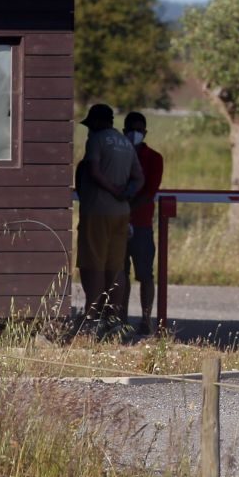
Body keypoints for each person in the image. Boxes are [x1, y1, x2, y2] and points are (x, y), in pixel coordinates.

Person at [75, 104, 144, 332]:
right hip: (121, 213)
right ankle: (114, 319)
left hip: (97, 211)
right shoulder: (125, 143)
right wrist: (125, 193)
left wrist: (112, 189)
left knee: (93, 264)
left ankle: (91, 318)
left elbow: (93, 170)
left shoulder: (96, 141)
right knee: (116, 267)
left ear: (95, 122)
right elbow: (139, 177)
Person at [121, 112, 164, 336]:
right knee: (120, 273)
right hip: (117, 224)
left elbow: (150, 191)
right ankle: (122, 318)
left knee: (145, 274)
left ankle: (146, 319)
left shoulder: (154, 158)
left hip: (141, 224)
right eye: (130, 129)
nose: (134, 134)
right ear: (123, 131)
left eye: (138, 130)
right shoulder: (117, 155)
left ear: (145, 132)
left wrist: (127, 207)